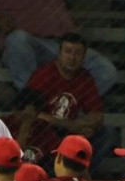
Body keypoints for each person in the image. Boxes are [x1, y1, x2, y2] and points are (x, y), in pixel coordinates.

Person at [26, 33, 114, 173]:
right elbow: (32, 114)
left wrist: (85, 125)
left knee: (105, 133)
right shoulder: (43, 75)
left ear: (84, 56)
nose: (72, 58)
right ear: (59, 53)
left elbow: (97, 114)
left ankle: (81, 173)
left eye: (78, 53)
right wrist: (72, 125)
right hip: (45, 129)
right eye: (68, 52)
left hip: (70, 131)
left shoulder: (85, 78)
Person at [4, 87, 61, 167]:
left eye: (33, 114)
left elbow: (59, 152)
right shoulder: (4, 125)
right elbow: (13, 156)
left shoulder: (42, 128)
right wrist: (26, 124)